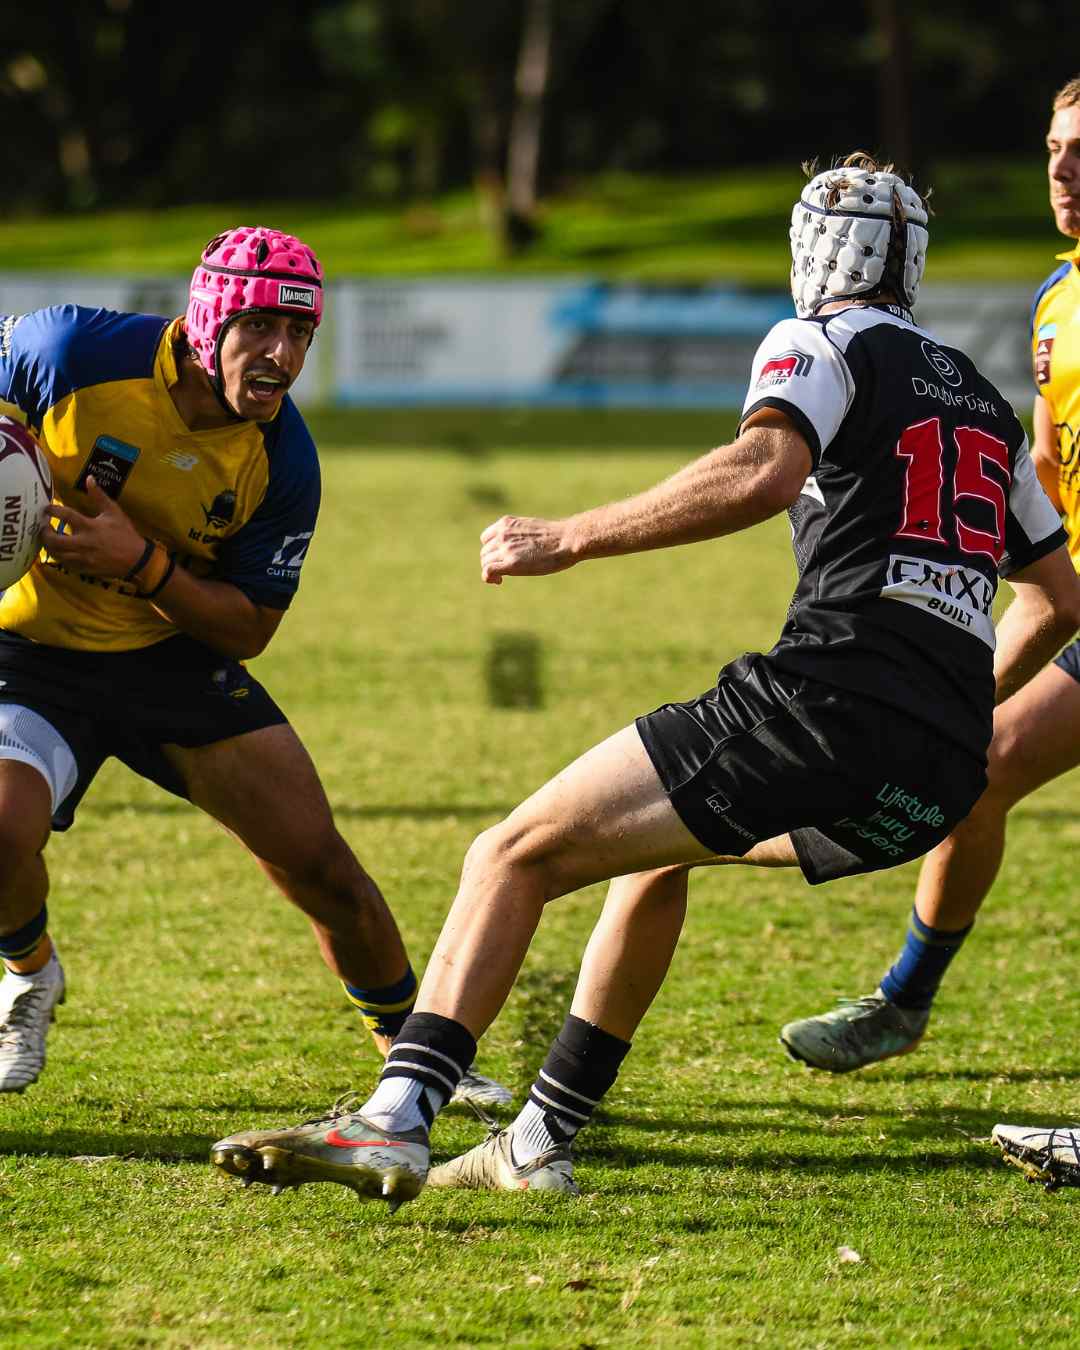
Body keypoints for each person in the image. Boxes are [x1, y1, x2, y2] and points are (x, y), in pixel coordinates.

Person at [209, 156, 1079, 1211]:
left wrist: (568, 536)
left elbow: (763, 472)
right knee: (652, 857)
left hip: (827, 709)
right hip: (939, 774)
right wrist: (952, 696)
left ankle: (394, 1117)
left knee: (511, 853)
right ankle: (542, 1139)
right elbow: (1057, 598)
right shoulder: (984, 400)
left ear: (810, 250)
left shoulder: (819, 340)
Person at [0, 226, 505, 1110]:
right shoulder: (68, 351)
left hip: (169, 657)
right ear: (209, 322)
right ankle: (28, 974)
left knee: (321, 869)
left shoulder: (286, 460)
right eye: (264, 328)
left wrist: (140, 564)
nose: (284, 354)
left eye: (303, 336)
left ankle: (415, 1055)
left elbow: (249, 627)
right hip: (28, 649)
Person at [778, 81, 1080, 1159]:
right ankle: (904, 1003)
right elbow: (1043, 463)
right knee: (980, 765)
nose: (1062, 169)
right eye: (1054, 147)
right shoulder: (1059, 297)